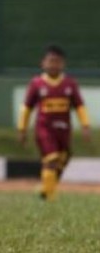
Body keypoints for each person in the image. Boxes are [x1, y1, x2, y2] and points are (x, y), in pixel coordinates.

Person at [18, 45, 91, 200]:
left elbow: (80, 106)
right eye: (50, 61)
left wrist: (85, 125)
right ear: (43, 63)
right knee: (51, 159)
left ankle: (45, 188)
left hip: (64, 130)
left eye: (57, 62)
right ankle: (50, 197)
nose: (53, 65)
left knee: (63, 159)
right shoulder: (37, 84)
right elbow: (26, 108)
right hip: (44, 128)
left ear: (63, 64)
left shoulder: (69, 84)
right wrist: (22, 128)